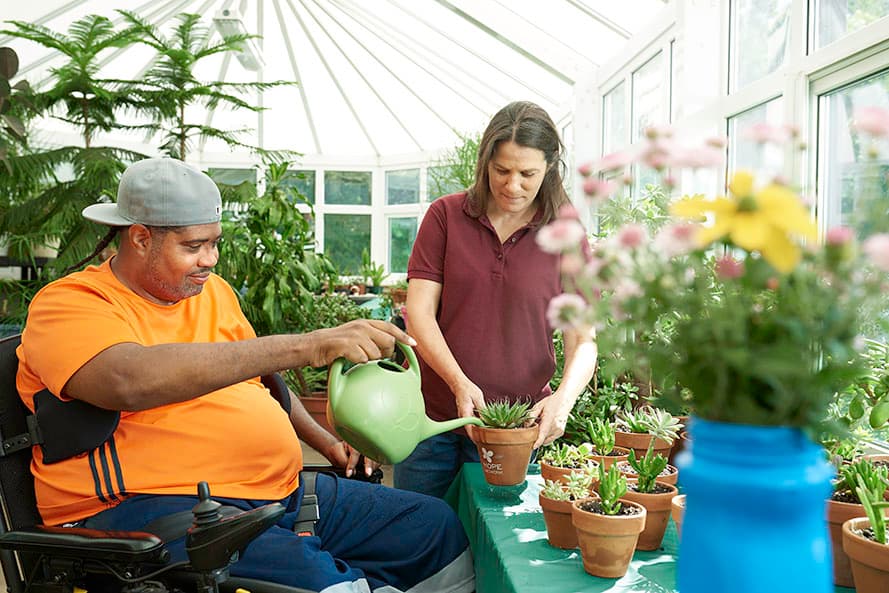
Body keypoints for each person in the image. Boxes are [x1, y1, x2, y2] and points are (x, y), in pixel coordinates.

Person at [15, 157, 475, 593]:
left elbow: (262, 381)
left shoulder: (211, 293)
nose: (210, 259)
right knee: (327, 583)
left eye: (214, 243)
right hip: (145, 511)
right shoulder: (70, 304)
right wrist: (307, 344)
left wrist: (327, 441)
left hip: (273, 495)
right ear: (139, 238)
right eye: (193, 247)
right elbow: (127, 380)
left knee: (433, 531)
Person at [394, 101, 598, 498]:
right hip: (429, 420)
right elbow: (418, 314)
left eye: (528, 174)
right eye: (502, 170)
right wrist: (458, 383)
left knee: (494, 545)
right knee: (412, 536)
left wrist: (563, 399)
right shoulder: (445, 217)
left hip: (513, 430)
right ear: (485, 161)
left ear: (550, 168)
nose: (513, 185)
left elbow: (583, 339)